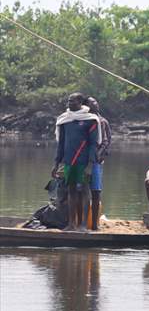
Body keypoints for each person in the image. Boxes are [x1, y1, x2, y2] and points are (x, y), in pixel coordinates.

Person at [52, 92, 101, 231]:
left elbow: (93, 144)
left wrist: (90, 165)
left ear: (80, 102)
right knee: (71, 191)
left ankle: (84, 224)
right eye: (68, 101)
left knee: (85, 191)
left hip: (83, 162)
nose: (69, 103)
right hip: (68, 162)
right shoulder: (64, 120)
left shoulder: (90, 120)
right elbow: (61, 144)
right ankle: (71, 224)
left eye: (72, 101)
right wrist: (56, 164)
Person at [84, 96, 112, 230]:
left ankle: (94, 224)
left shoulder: (102, 121)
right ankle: (83, 222)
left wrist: (97, 157)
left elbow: (107, 142)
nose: (95, 104)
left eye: (95, 101)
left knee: (95, 192)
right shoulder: (84, 121)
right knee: (82, 192)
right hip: (83, 161)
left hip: (96, 162)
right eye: (91, 102)